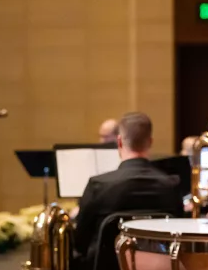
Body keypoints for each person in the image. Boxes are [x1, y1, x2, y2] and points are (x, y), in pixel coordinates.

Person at [75, 112, 184, 261]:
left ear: (119, 142)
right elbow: (178, 239)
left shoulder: (98, 186)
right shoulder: (171, 185)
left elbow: (80, 243)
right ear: (150, 142)